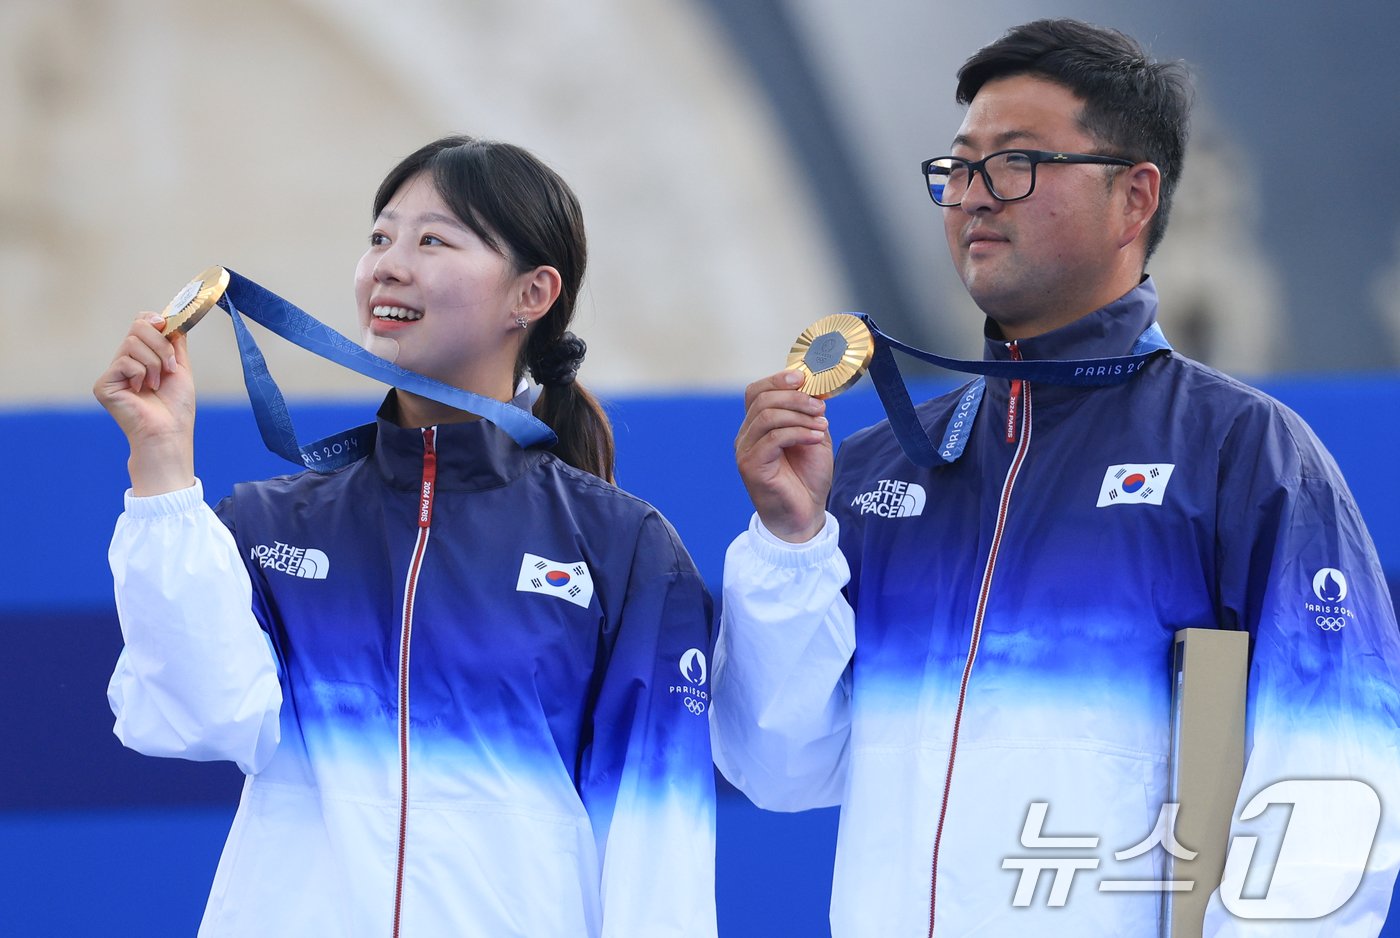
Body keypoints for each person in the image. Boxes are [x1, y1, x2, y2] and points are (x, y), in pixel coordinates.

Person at [712, 18, 1400, 937]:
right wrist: (791, 544)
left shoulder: (1245, 454)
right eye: (960, 168)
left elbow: (1334, 784)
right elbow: (781, 767)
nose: (975, 196)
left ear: (1135, 197)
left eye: (1017, 163)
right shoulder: (880, 466)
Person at [94, 135, 717, 937]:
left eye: (434, 240)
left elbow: (656, 848)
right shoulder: (266, 523)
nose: (387, 264)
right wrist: (161, 469)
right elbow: (192, 719)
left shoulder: (623, 549)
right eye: (381, 237)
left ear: (532, 293)